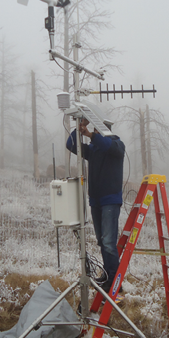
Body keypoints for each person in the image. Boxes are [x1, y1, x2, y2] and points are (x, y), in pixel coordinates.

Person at [66, 117, 125, 293]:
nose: (96, 134)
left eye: (99, 131)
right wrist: (79, 128)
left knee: (108, 242)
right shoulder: (94, 149)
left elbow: (107, 145)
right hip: (96, 200)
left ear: (105, 132)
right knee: (102, 241)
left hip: (110, 200)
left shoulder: (117, 145)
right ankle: (108, 276)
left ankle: (115, 282)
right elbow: (71, 145)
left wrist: (91, 134)